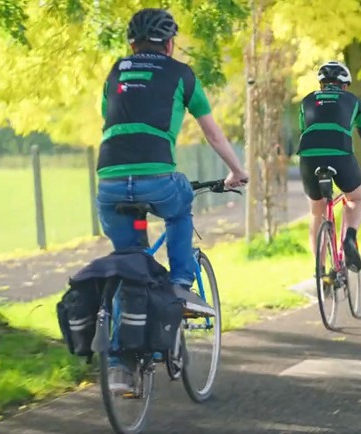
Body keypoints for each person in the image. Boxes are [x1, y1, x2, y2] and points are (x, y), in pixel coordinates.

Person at [96, 8, 248, 392]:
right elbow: (213, 134)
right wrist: (236, 171)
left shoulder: (115, 72)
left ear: (132, 44)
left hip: (110, 183)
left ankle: (120, 367)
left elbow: (109, 119)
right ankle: (181, 283)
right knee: (179, 207)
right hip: (157, 181)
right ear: (170, 44)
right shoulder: (182, 74)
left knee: (130, 263)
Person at [298, 61, 361, 272]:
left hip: (309, 155)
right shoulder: (355, 102)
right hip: (340, 154)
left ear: (321, 85)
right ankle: (349, 238)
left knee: (317, 212)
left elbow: (304, 130)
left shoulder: (306, 101)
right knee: (355, 199)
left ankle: (319, 270)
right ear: (345, 85)